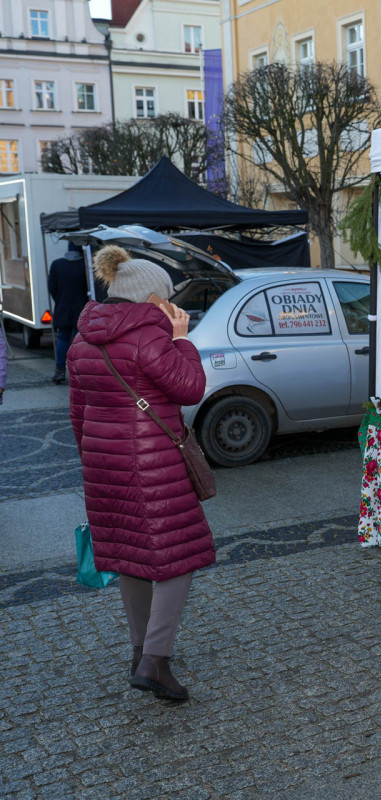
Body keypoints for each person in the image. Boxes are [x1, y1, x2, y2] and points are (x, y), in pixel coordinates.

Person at [67, 245, 213, 702]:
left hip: (102, 463)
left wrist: (95, 459)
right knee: (179, 557)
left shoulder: (81, 338)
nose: (173, 306)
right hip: (153, 466)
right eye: (169, 298)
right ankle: (155, 661)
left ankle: (140, 650)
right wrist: (183, 338)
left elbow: (78, 413)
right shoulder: (152, 337)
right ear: (153, 299)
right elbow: (191, 387)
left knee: (131, 554)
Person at [47, 241, 90, 384]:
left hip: (62, 308)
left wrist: (60, 300)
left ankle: (59, 371)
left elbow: (52, 287)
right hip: (82, 309)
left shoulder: (57, 264)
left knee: (62, 339)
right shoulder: (86, 265)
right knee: (79, 342)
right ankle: (78, 372)